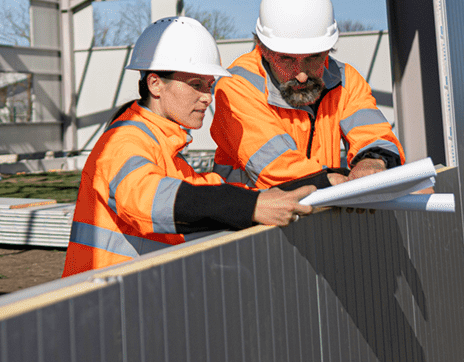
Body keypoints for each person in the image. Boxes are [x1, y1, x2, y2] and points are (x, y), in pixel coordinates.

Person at [62, 16, 315, 277]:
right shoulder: (123, 142)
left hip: (126, 299)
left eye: (209, 85)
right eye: (196, 85)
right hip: (101, 306)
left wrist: (269, 196)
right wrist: (249, 205)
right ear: (155, 84)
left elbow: (204, 191)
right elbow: (149, 199)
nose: (207, 97)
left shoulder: (166, 148)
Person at [211, 0, 405, 190]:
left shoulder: (344, 79)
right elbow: (276, 169)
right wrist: (344, 183)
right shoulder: (237, 86)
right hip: (252, 220)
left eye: (313, 58)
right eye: (287, 59)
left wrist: (373, 163)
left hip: (319, 211)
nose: (301, 75)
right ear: (263, 49)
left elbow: (374, 135)